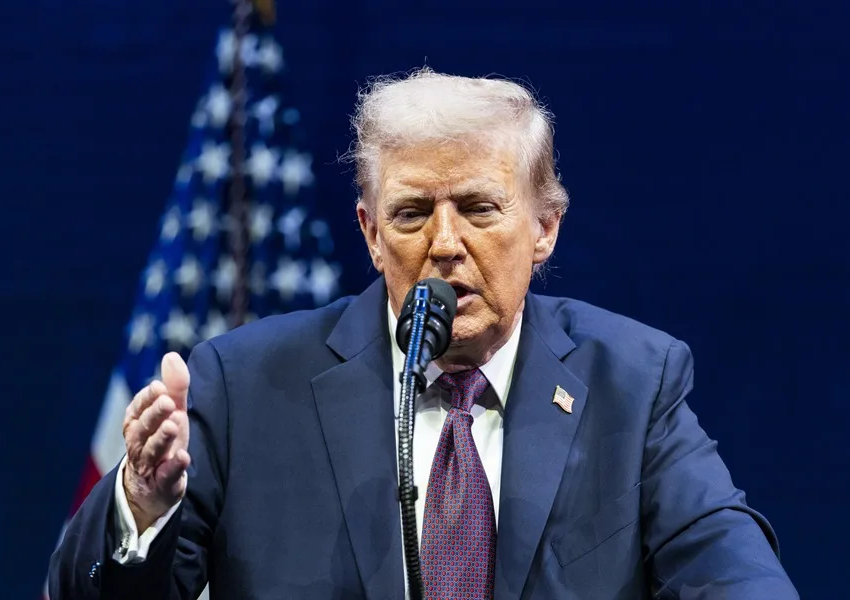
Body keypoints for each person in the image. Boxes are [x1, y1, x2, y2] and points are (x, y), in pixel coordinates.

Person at [48, 67, 798, 599]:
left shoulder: (632, 383)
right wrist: (142, 507)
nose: (444, 243)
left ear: (545, 229)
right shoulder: (245, 386)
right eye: (411, 214)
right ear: (371, 235)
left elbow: (730, 571)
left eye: (478, 208)